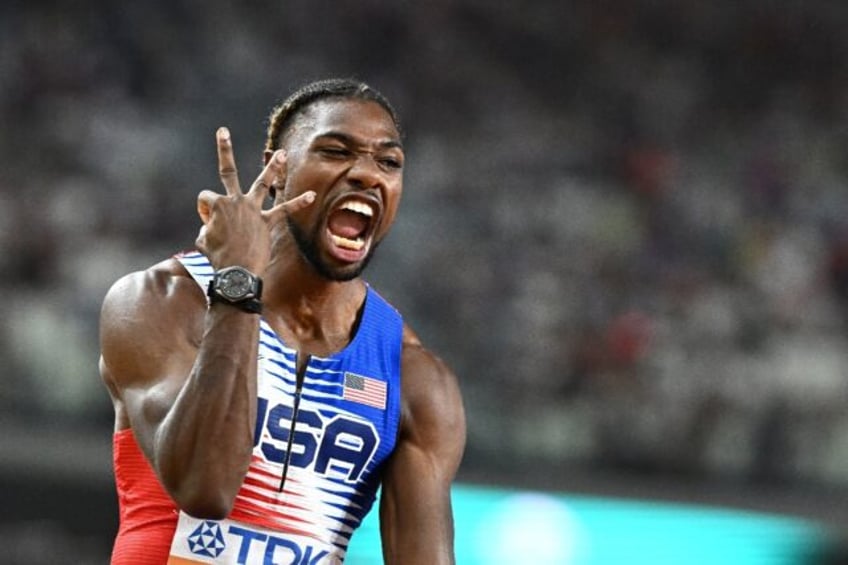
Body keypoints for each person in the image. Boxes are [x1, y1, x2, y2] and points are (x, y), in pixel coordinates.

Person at [99, 78, 466, 564]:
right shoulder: (163, 300)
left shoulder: (413, 375)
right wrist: (236, 284)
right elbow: (204, 489)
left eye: (388, 162)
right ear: (278, 167)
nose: (366, 174)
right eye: (336, 151)